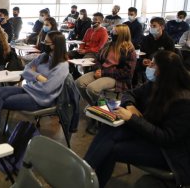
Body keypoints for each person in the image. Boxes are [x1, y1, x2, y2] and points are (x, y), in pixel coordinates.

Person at [84, 50, 190, 188]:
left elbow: (166, 138)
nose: (148, 67)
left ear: (163, 71)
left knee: (112, 149)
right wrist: (130, 105)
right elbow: (130, 93)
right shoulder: (156, 83)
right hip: (148, 133)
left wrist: (132, 118)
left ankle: (85, 175)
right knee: (109, 128)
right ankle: (86, 174)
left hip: (168, 153)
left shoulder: (183, 101)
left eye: (153, 65)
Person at [0, 31, 69, 148]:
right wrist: (37, 76)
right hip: (30, 89)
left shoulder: (62, 66)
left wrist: (33, 74)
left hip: (40, 99)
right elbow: (26, 69)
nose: (43, 44)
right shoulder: (44, 57)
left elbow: (47, 89)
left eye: (46, 42)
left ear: (56, 45)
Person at [76, 24, 137, 106]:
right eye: (112, 30)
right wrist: (98, 69)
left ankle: (102, 106)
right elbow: (97, 59)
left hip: (116, 77)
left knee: (92, 89)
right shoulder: (109, 44)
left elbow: (127, 72)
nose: (112, 32)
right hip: (101, 71)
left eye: (115, 31)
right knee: (78, 83)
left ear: (122, 34)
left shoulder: (129, 50)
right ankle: (94, 105)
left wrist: (103, 73)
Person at [134, 17, 174, 86]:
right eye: (151, 26)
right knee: (134, 64)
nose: (152, 27)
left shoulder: (168, 41)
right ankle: (136, 85)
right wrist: (143, 60)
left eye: (154, 26)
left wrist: (155, 64)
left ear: (162, 27)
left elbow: (170, 58)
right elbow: (142, 54)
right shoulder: (146, 39)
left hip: (161, 65)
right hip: (147, 63)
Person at [68, 12, 108, 79]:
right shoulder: (89, 30)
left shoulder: (103, 32)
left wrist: (85, 51)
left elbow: (99, 48)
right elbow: (83, 41)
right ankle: (72, 73)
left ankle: (83, 77)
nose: (93, 21)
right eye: (93, 19)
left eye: (95, 19)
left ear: (101, 21)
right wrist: (80, 49)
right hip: (84, 51)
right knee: (66, 55)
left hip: (94, 53)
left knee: (84, 61)